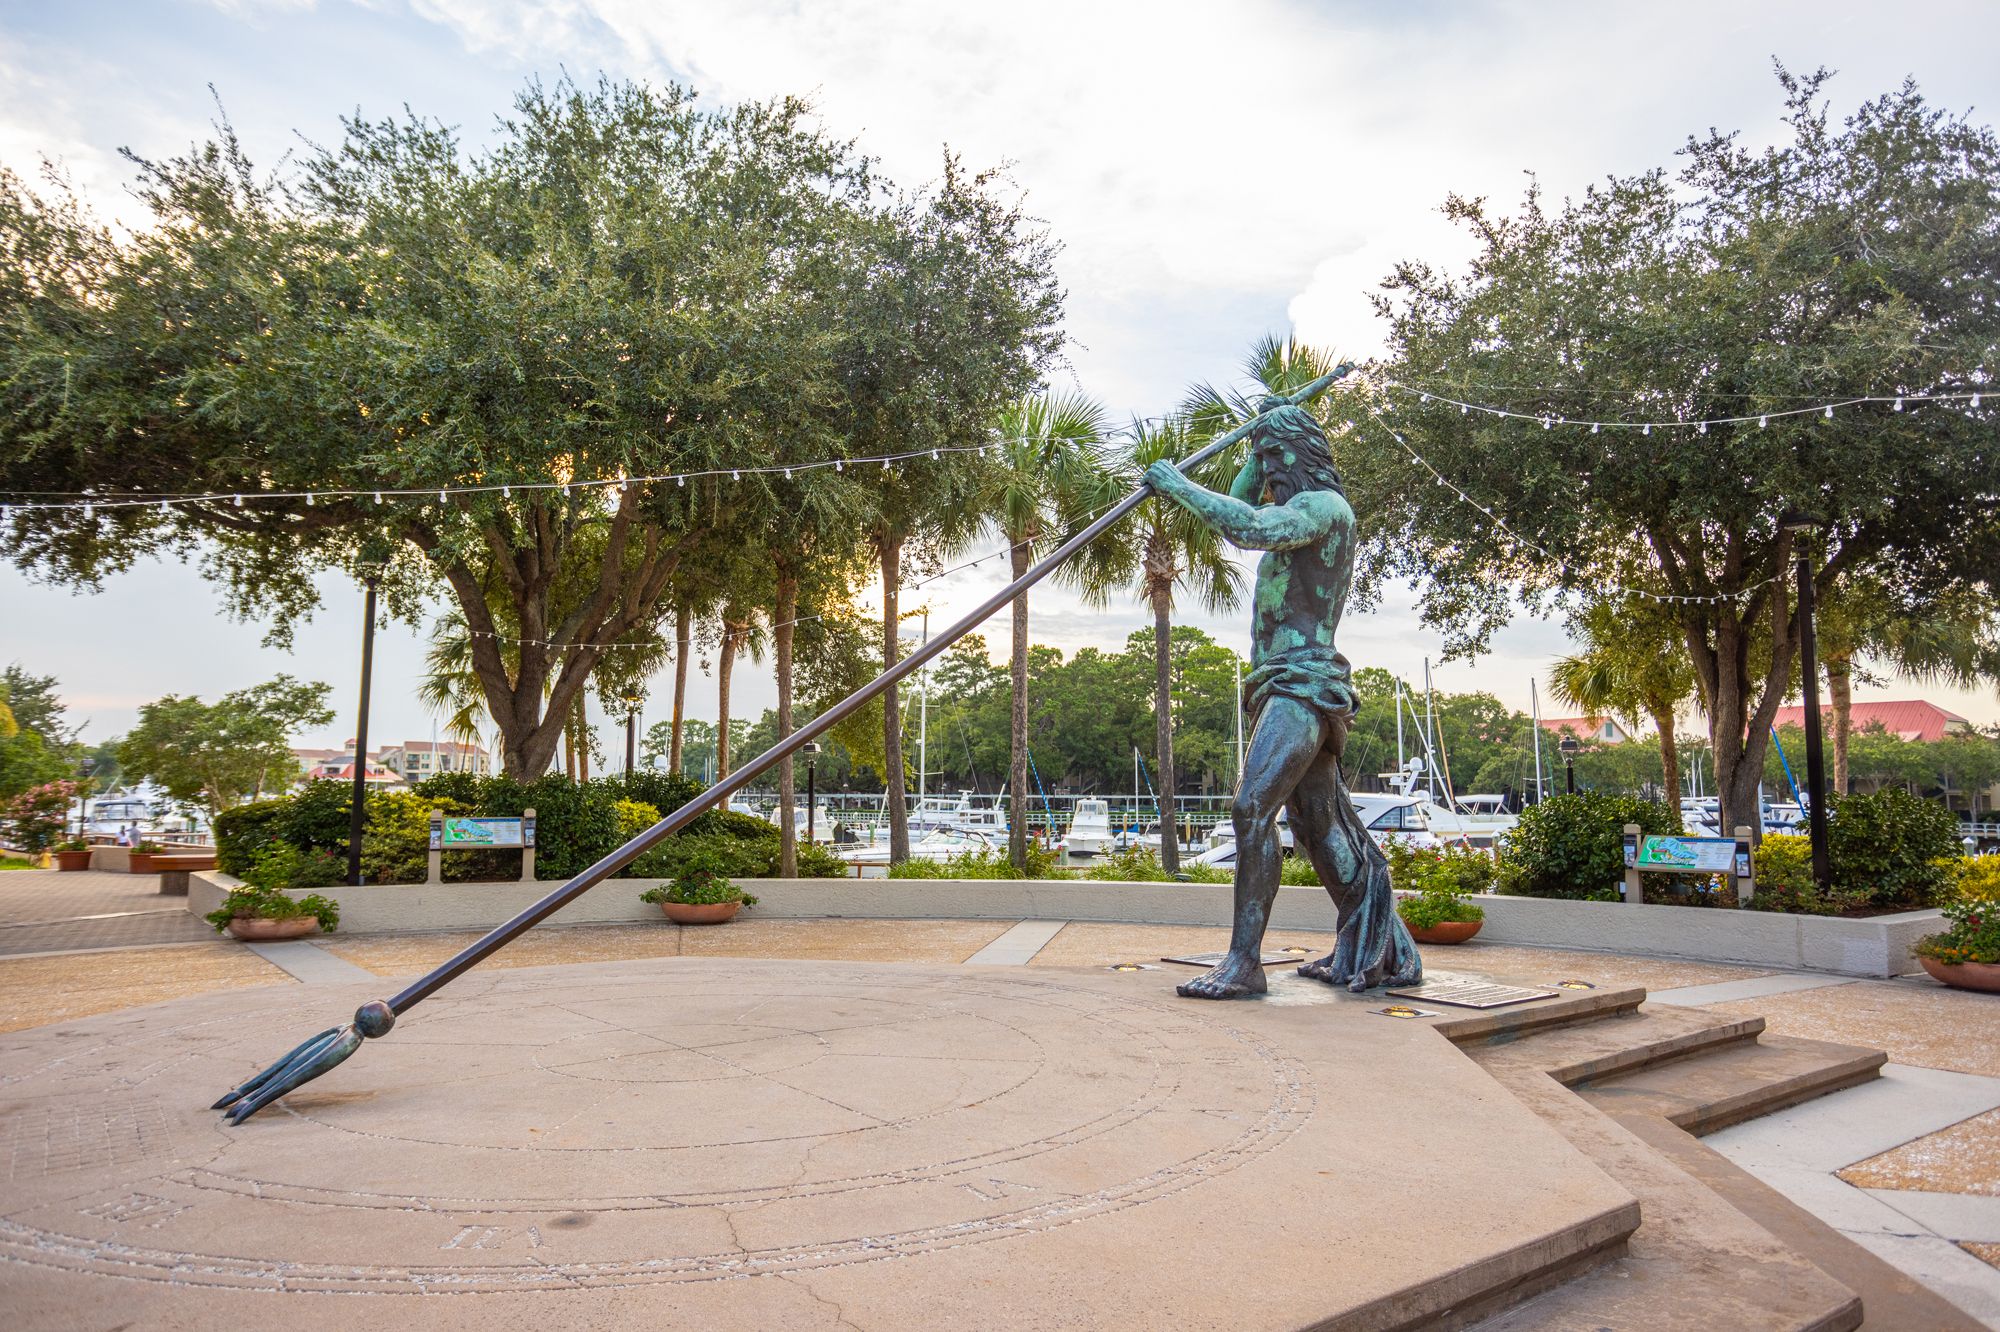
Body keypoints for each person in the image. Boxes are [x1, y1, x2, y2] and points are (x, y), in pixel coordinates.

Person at [1145, 399, 1421, 998]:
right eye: (1263, 458)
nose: (1267, 471)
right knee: (1316, 825)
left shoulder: (1322, 508)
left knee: (1251, 809)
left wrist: (1177, 485)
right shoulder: (1293, 505)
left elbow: (1248, 527)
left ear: (1299, 453)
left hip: (1304, 684)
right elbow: (1241, 506)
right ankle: (1382, 947)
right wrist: (1255, 444)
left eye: (1274, 457)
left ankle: (1244, 964)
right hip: (1283, 682)